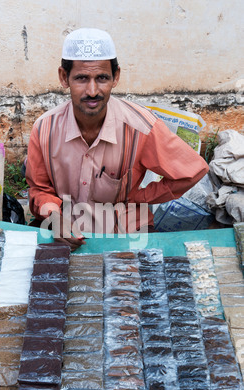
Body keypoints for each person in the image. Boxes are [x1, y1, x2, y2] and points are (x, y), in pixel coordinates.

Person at [26, 28, 209, 250]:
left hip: (127, 232)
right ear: (64, 78)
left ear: (116, 77)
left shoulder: (141, 127)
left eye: (102, 78)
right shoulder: (45, 128)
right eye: (81, 78)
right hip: (64, 234)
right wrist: (54, 218)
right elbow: (39, 189)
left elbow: (193, 170)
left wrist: (140, 197)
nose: (92, 91)